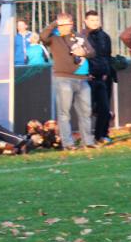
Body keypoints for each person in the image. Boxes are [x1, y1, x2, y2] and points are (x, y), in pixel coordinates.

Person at [41, 13, 96, 149]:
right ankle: (68, 143)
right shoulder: (54, 37)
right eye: (62, 25)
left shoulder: (79, 36)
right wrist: (55, 23)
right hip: (63, 78)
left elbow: (92, 52)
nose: (64, 27)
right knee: (64, 113)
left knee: (86, 112)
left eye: (67, 24)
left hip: (83, 79)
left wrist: (84, 53)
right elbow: (43, 36)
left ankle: (88, 141)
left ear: (72, 24)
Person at [83, 10, 114, 143]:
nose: (94, 23)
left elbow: (107, 56)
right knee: (87, 109)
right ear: (85, 21)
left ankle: (101, 135)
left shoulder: (105, 37)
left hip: (103, 77)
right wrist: (86, 72)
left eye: (96, 20)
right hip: (88, 78)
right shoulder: (81, 36)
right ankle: (87, 136)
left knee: (105, 108)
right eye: (91, 20)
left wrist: (107, 72)